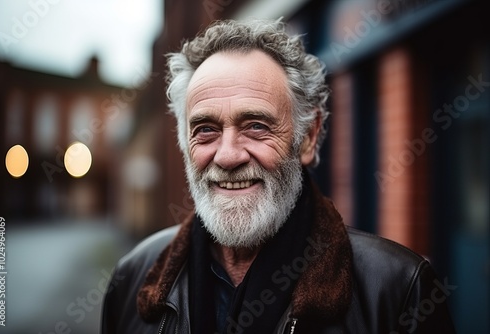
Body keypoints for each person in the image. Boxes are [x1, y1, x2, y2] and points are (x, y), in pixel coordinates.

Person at [102, 19, 455, 334]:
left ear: (308, 137)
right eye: (206, 129)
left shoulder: (397, 291)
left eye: (256, 126)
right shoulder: (133, 277)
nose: (227, 156)